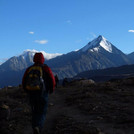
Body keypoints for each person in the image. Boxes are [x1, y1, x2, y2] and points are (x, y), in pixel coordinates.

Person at [22, 52, 55, 134]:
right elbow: (52, 80)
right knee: (42, 111)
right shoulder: (46, 68)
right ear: (43, 59)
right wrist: (51, 89)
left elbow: (24, 81)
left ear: (34, 59)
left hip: (31, 93)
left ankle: (34, 126)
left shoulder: (29, 69)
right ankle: (38, 127)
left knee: (34, 110)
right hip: (42, 93)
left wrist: (27, 91)